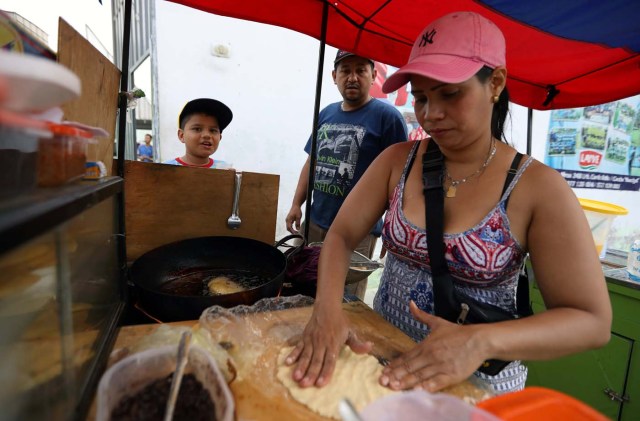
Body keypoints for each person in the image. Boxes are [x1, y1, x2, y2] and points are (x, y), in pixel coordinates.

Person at [285, 11, 612, 395]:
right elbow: (340, 235)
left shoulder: (538, 188)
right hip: (383, 364)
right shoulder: (397, 160)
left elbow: (590, 320)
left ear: (496, 83)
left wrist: (480, 342)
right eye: (421, 98)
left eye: (450, 93)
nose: (432, 114)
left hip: (474, 386)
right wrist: (328, 310)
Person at [285, 49, 408, 298]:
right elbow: (312, 161)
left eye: (360, 70)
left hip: (359, 230)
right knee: (302, 285)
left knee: (345, 299)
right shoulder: (326, 114)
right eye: (345, 70)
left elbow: (401, 179)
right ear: (334, 76)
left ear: (373, 76)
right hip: (316, 222)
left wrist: (394, 226)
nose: (352, 77)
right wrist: (297, 204)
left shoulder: (388, 118)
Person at [164, 98, 233, 168]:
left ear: (220, 137)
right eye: (197, 129)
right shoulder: (164, 171)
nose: (207, 135)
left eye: (213, 130)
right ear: (181, 135)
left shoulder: (225, 170)